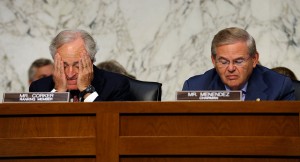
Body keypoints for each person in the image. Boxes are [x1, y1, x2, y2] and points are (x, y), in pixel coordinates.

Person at [182, 27, 295, 100]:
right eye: (224, 62)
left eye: (239, 61)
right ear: (213, 61)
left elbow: (287, 133)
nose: (231, 68)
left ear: (254, 59)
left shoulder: (279, 87)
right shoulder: (195, 88)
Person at [29, 29, 131, 102]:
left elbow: (109, 124)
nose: (70, 74)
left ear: (90, 61)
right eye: (64, 66)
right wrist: (59, 93)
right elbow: (40, 128)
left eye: (77, 65)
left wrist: (87, 90)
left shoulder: (116, 85)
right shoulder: (38, 88)